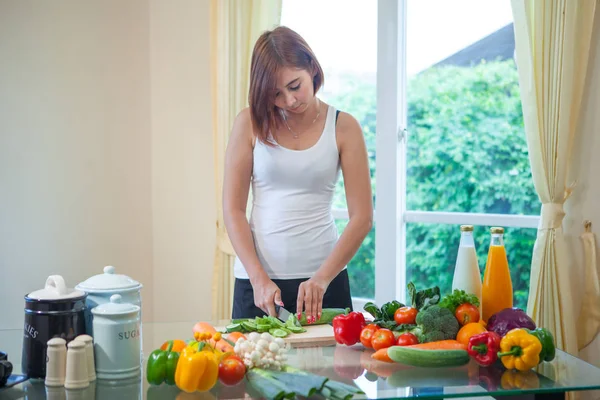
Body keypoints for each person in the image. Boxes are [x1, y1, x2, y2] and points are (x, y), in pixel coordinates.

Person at [223, 26, 373, 324]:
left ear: (312, 68)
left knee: (330, 370)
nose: (289, 101)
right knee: (253, 370)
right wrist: (258, 278)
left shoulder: (344, 127)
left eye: (295, 86)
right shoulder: (249, 123)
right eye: (275, 94)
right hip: (259, 285)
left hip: (324, 283)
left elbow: (362, 217)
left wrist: (322, 278)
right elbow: (233, 209)